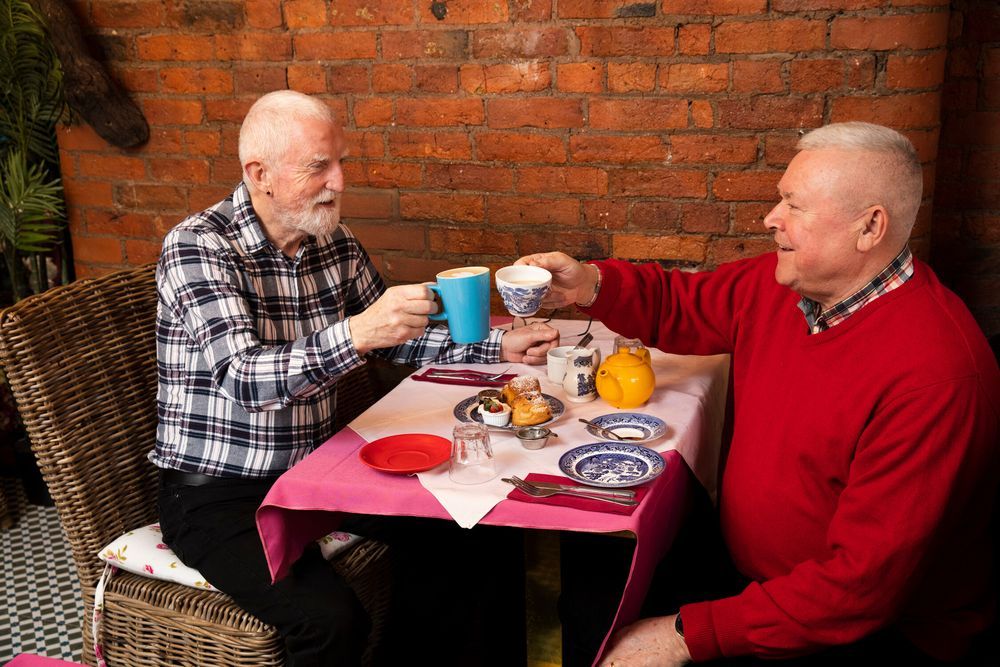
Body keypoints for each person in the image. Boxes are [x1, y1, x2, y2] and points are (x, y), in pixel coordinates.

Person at [519, 122, 1000, 666]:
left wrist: (683, 635)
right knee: (590, 593)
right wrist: (589, 284)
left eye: (794, 205)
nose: (772, 219)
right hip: (761, 575)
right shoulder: (789, 285)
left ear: (869, 227)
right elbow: (681, 303)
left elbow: (860, 588)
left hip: (864, 628)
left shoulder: (935, 374)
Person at [151, 89, 558, 666]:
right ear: (259, 174)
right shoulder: (199, 247)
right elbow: (244, 379)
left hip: (323, 469)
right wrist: (359, 333)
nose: (339, 181)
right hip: (218, 494)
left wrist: (499, 344)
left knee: (475, 538)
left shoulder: (332, 243)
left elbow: (399, 335)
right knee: (329, 621)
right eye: (319, 166)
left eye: (340, 162)